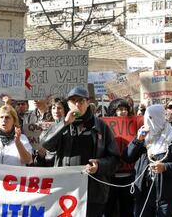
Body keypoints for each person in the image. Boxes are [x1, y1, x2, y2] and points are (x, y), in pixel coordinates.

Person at [41, 86, 120, 217]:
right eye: (73, 101)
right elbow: (46, 144)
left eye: (81, 101)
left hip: (93, 192)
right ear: (68, 104)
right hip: (66, 191)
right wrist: (64, 123)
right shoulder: (62, 124)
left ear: (88, 102)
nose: (77, 104)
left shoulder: (101, 127)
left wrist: (99, 166)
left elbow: (115, 159)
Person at [123, 104, 172, 217]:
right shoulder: (144, 138)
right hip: (143, 192)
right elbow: (127, 157)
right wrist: (137, 140)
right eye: (146, 119)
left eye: (151, 119)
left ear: (159, 118)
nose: (148, 123)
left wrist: (165, 167)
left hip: (165, 196)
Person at [105, 98, 134, 217]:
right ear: (113, 111)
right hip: (111, 177)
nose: (123, 112)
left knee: (127, 209)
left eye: (125, 109)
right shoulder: (106, 126)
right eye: (120, 109)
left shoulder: (134, 125)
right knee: (109, 209)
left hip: (129, 177)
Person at [35, 98, 69, 167]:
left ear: (65, 110)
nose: (56, 111)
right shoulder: (45, 129)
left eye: (59, 108)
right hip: (50, 171)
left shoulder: (71, 128)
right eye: (53, 108)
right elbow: (38, 163)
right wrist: (41, 155)